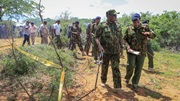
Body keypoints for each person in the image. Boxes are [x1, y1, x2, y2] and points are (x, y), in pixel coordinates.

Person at [123, 13, 156, 92]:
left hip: (141, 52)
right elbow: (124, 39)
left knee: (139, 68)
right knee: (130, 65)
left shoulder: (145, 28)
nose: (136, 23)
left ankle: (135, 83)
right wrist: (127, 47)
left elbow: (154, 35)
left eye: (137, 21)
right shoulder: (129, 28)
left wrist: (149, 34)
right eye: (134, 22)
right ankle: (127, 78)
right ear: (132, 22)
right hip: (131, 51)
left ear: (139, 20)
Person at [95, 9, 123, 92]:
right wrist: (99, 46)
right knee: (104, 67)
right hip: (105, 51)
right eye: (113, 15)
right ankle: (103, 81)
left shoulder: (118, 25)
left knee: (116, 68)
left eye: (116, 15)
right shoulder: (102, 25)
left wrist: (121, 47)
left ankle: (117, 86)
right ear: (108, 16)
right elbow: (96, 37)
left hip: (116, 51)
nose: (115, 17)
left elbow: (120, 37)